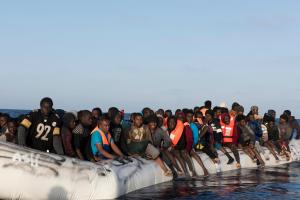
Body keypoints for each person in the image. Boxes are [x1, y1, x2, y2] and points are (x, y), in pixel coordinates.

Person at [185, 110, 209, 176]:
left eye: (191, 117)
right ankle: (193, 172)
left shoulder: (195, 124)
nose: (189, 118)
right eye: (188, 117)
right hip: (188, 145)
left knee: (202, 149)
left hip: (195, 145)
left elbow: (206, 127)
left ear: (193, 117)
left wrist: (199, 137)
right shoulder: (184, 125)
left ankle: (204, 169)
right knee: (191, 154)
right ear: (185, 117)